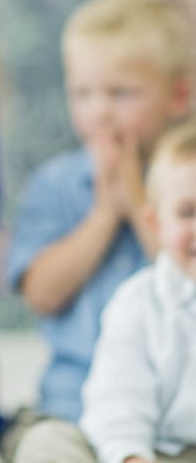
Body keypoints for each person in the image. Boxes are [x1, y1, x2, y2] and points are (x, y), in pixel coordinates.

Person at [3, 0, 191, 462]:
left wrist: (139, 207)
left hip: (174, 417)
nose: (100, 110)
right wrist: (105, 215)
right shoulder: (56, 183)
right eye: (83, 93)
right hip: (74, 409)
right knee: (42, 450)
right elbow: (41, 293)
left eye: (120, 93)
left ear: (179, 95)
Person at [77, 119, 196, 463]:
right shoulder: (138, 303)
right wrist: (130, 455)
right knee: (49, 441)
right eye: (187, 213)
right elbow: (118, 402)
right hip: (149, 449)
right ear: (156, 224)